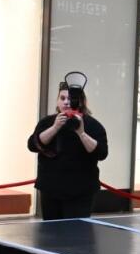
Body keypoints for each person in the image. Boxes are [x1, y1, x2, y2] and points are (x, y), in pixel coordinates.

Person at [27, 81, 109, 220]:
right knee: (51, 230)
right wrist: (55, 128)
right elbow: (32, 145)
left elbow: (102, 153)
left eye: (70, 99)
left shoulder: (93, 125)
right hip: (50, 189)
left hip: (81, 192)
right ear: (57, 101)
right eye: (62, 98)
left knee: (76, 231)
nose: (66, 102)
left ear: (80, 101)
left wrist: (81, 133)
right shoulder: (47, 122)